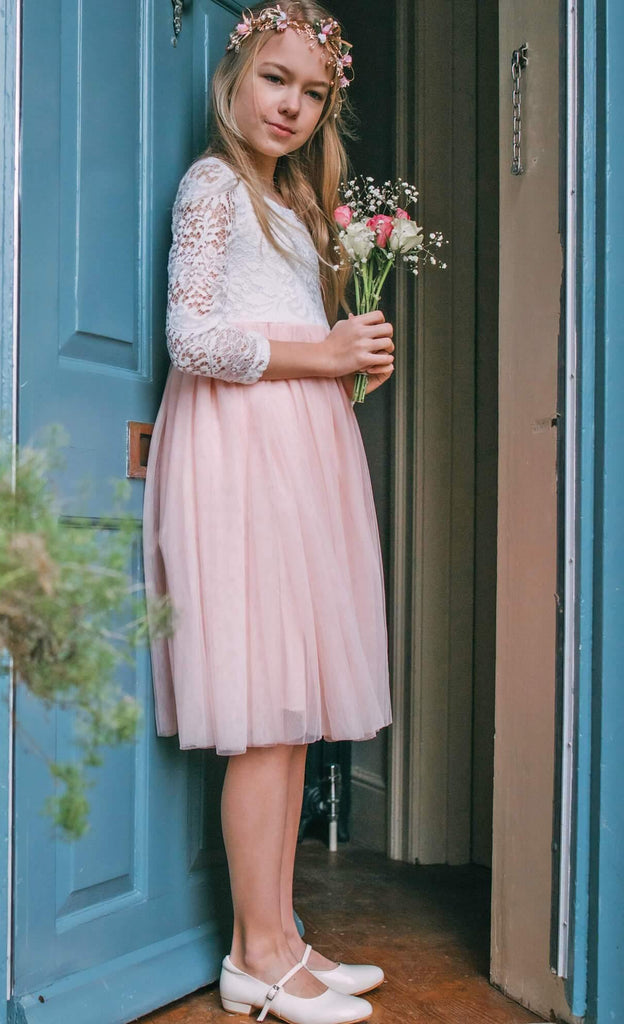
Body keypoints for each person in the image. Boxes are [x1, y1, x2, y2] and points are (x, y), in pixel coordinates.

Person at [142, 4, 394, 1023]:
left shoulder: (296, 205)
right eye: (275, 80)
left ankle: (282, 938)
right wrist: (319, 355)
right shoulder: (214, 184)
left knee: (290, 716)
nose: (291, 105)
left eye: (313, 91)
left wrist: (345, 355)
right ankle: (253, 956)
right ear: (235, 77)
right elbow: (190, 333)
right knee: (260, 712)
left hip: (297, 449)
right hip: (240, 451)